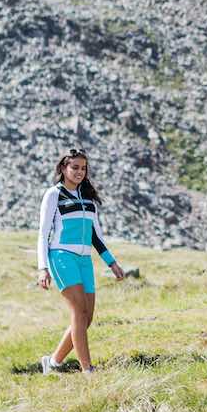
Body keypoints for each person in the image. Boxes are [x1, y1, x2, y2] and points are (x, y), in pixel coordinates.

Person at [37, 149, 125, 374]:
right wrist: (42, 267)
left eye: (83, 168)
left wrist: (111, 263)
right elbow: (43, 233)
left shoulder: (88, 199)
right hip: (61, 256)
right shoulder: (54, 194)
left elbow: (96, 236)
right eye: (74, 167)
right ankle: (87, 369)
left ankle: (54, 362)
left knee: (87, 318)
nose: (79, 172)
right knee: (78, 311)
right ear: (63, 169)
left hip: (85, 260)